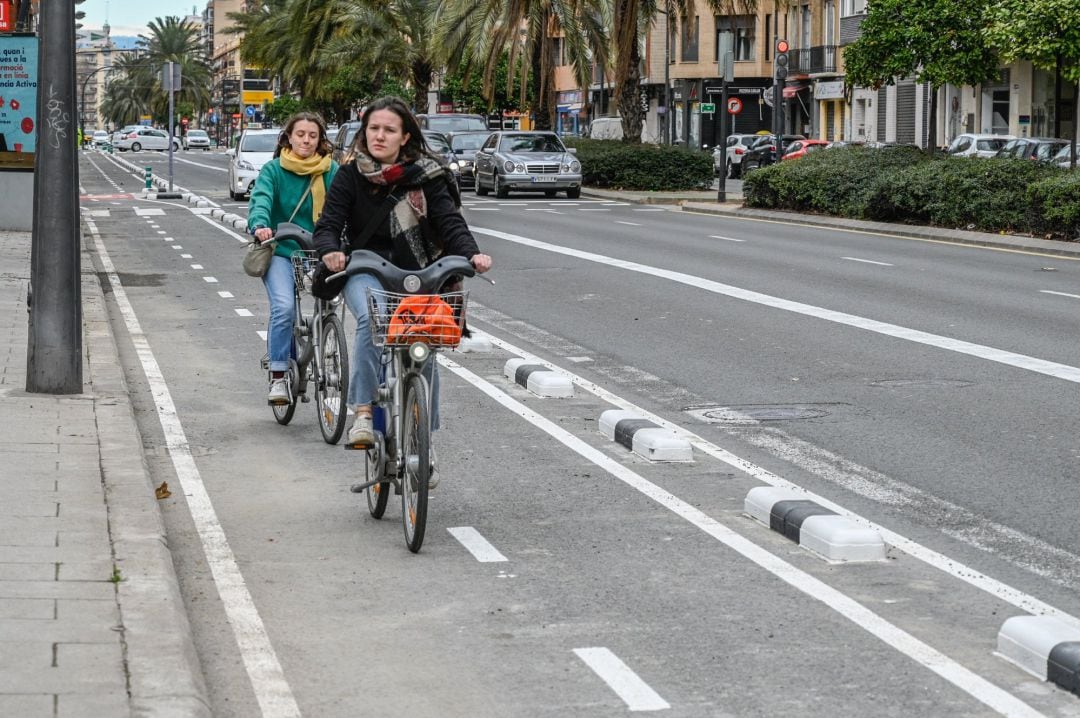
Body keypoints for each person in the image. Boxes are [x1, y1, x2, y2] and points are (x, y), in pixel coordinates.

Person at [313, 96, 492, 450]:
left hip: (417, 272)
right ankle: (363, 412)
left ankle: (423, 438)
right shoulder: (350, 175)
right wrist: (331, 251)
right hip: (365, 266)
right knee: (371, 318)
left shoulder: (429, 175)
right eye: (373, 129)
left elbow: (449, 221)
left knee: (424, 345)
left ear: (405, 136)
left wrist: (471, 254)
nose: (379, 136)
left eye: (389, 130)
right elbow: (329, 224)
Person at [247, 112, 339, 405]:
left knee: (329, 308)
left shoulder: (331, 170)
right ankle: (277, 376)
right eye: (300, 134)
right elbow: (261, 199)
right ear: (288, 137)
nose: (306, 140)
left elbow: (344, 205)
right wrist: (261, 226)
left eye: (313, 136)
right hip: (283, 252)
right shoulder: (273, 170)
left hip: (321, 253)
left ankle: (325, 353)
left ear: (320, 140)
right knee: (284, 308)